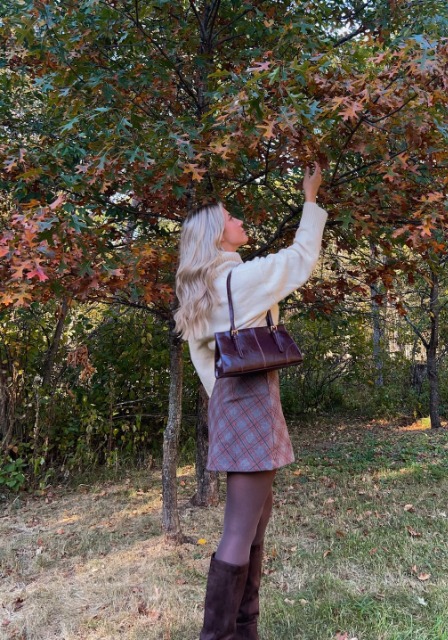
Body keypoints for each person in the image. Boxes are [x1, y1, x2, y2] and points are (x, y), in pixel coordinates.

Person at [174, 162, 326, 640]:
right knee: (241, 532)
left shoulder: (204, 289)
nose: (240, 221)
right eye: (232, 218)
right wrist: (310, 199)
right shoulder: (235, 283)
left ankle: (244, 632)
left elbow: (205, 366)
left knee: (255, 526)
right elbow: (301, 258)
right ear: (219, 236)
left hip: (233, 403)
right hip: (251, 402)